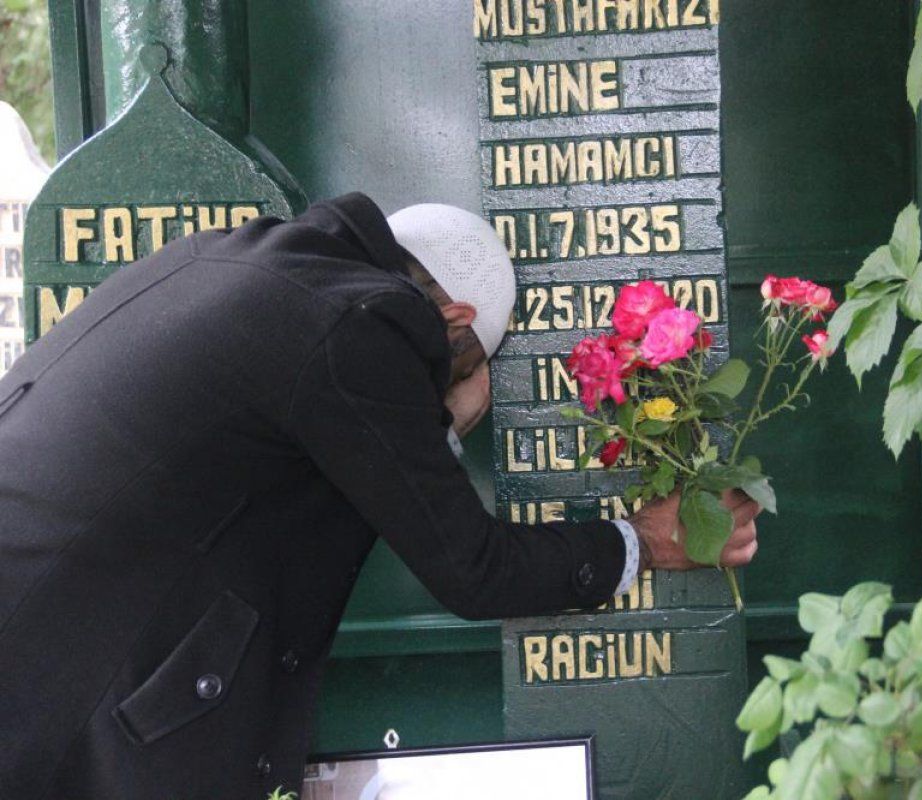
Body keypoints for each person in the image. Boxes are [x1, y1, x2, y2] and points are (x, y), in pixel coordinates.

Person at [0, 192, 760, 799]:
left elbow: (302, 472)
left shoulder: (241, 263)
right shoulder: (358, 326)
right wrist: (646, 541)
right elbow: (474, 569)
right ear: (455, 319)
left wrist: (436, 429)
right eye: (460, 365)